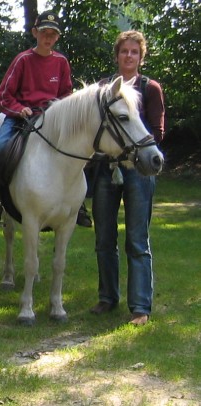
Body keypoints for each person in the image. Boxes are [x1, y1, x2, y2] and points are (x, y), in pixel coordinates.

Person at [88, 30, 165, 326]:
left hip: (139, 171)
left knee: (137, 239)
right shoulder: (104, 88)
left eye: (134, 52)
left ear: (141, 57)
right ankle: (107, 298)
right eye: (124, 51)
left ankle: (140, 307)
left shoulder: (150, 88)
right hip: (106, 168)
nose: (129, 56)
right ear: (117, 55)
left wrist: (129, 150)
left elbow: (157, 132)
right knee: (104, 237)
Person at [0, 11, 86, 229]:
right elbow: (3, 96)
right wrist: (19, 109)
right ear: (35, 32)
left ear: (58, 37)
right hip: (21, 117)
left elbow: (66, 94)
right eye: (44, 32)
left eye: (53, 34)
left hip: (52, 119)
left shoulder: (61, 62)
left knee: (81, 149)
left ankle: (78, 203)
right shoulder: (23, 60)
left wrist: (58, 110)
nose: (48, 37)